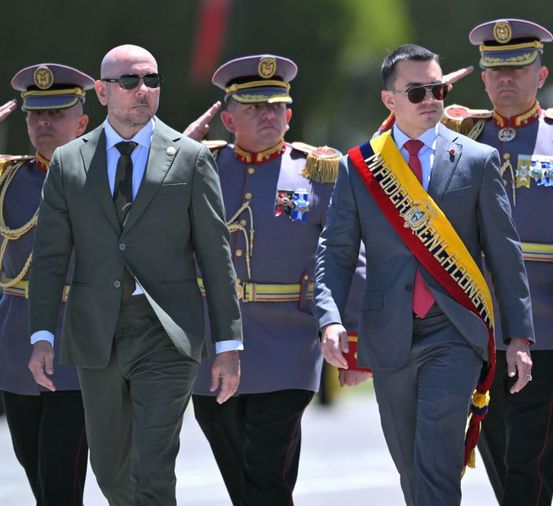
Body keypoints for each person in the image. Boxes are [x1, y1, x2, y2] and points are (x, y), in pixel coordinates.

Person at [313, 43, 535, 505]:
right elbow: (335, 252)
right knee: (411, 468)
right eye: (417, 92)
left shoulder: (477, 160)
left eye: (437, 88)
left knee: (436, 460)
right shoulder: (359, 167)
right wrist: (331, 320)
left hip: (454, 331)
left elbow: (504, 253)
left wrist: (519, 337)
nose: (432, 99)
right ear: (389, 101)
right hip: (389, 333)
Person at [26, 44, 243, 506]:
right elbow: (49, 257)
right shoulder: (68, 162)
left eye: (152, 80)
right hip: (95, 332)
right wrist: (41, 334)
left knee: (153, 465)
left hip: (166, 331)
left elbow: (215, 254)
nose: (142, 90)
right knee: (109, 469)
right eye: (129, 82)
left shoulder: (190, 158)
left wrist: (228, 345)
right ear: (102, 92)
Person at [440, 18, 553, 505]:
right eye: (496, 71)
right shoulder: (461, 135)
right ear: (483, 78)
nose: (506, 80)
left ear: (540, 76)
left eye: (518, 69)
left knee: (531, 444)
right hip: (473, 311)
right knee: (492, 436)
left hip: (544, 312)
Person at [183, 54, 368, 505]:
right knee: (242, 478)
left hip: (290, 344)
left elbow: (348, 257)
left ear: (289, 114)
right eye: (254, 107)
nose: (269, 114)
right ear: (228, 118)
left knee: (267, 472)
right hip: (213, 342)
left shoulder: (319, 170)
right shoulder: (197, 168)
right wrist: (169, 158)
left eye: (276, 106)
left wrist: (357, 344)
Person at [0, 64, 92, 505]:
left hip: (78, 349)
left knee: (60, 480)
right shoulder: (9, 178)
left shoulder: (111, 179)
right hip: (17, 346)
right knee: (36, 473)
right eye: (36, 114)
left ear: (82, 122)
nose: (44, 123)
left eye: (56, 113)